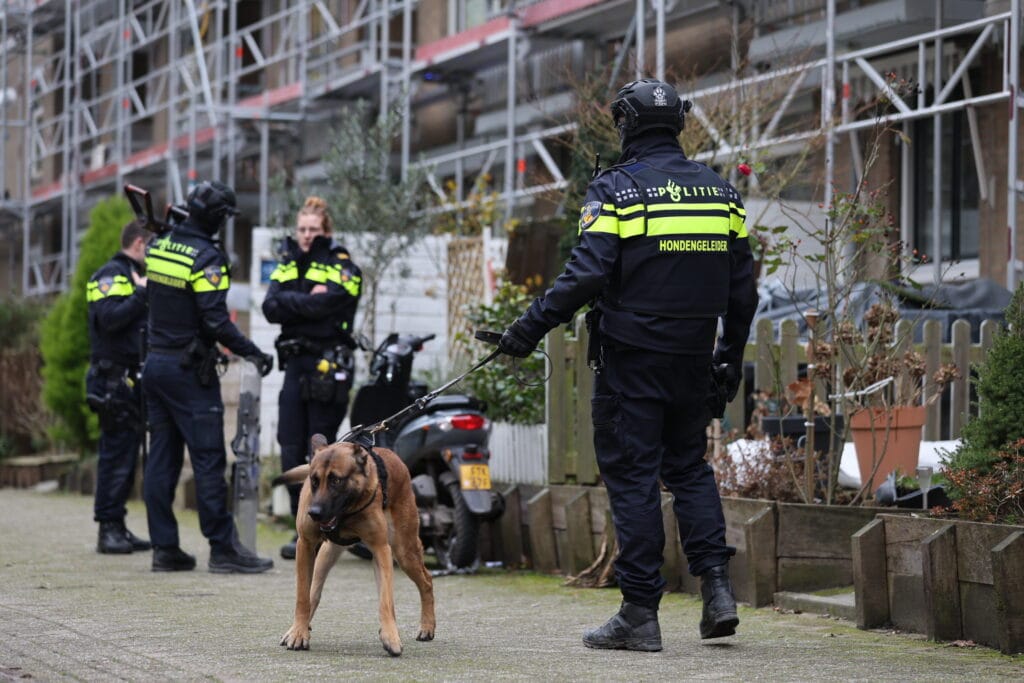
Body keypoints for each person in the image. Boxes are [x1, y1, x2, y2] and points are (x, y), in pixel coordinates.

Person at [498, 78, 757, 651]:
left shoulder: (616, 189)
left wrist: (528, 328)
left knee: (636, 477)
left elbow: (586, 274)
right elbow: (744, 292)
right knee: (688, 468)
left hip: (631, 362)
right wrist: (728, 364)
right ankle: (717, 590)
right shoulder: (720, 194)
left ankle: (640, 613)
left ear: (629, 126)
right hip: (694, 359)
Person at [142, 179, 276, 573]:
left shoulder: (161, 246)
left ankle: (164, 549)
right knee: (207, 460)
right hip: (188, 375)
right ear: (218, 218)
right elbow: (216, 320)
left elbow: (169, 305)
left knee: (161, 461)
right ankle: (223, 550)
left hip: (156, 365)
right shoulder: (205, 257)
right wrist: (253, 351)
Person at [262, 196, 362, 560]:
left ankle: (327, 528)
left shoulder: (342, 264)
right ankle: (301, 525)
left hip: (326, 367)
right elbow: (270, 307)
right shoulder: (288, 262)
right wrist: (309, 299)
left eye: (313, 230)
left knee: (321, 450)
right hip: (294, 366)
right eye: (302, 229)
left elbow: (331, 306)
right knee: (290, 445)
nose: (306, 236)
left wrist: (295, 301)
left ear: (326, 230)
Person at [85, 219, 153, 555]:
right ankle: (107, 529)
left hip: (129, 380)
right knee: (115, 456)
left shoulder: (128, 274)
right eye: (151, 248)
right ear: (140, 244)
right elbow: (110, 319)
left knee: (126, 456)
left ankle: (118, 525)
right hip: (113, 380)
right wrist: (142, 292)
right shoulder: (111, 274)